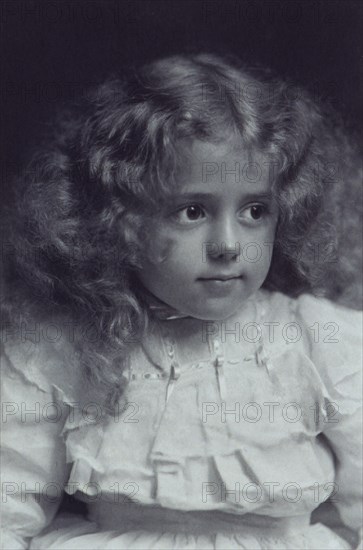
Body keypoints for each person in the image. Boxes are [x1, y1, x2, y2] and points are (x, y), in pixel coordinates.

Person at [1, 53, 362, 550]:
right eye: (193, 211)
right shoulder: (70, 345)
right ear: (118, 220)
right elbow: (8, 499)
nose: (229, 244)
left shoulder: (318, 343)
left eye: (255, 210)